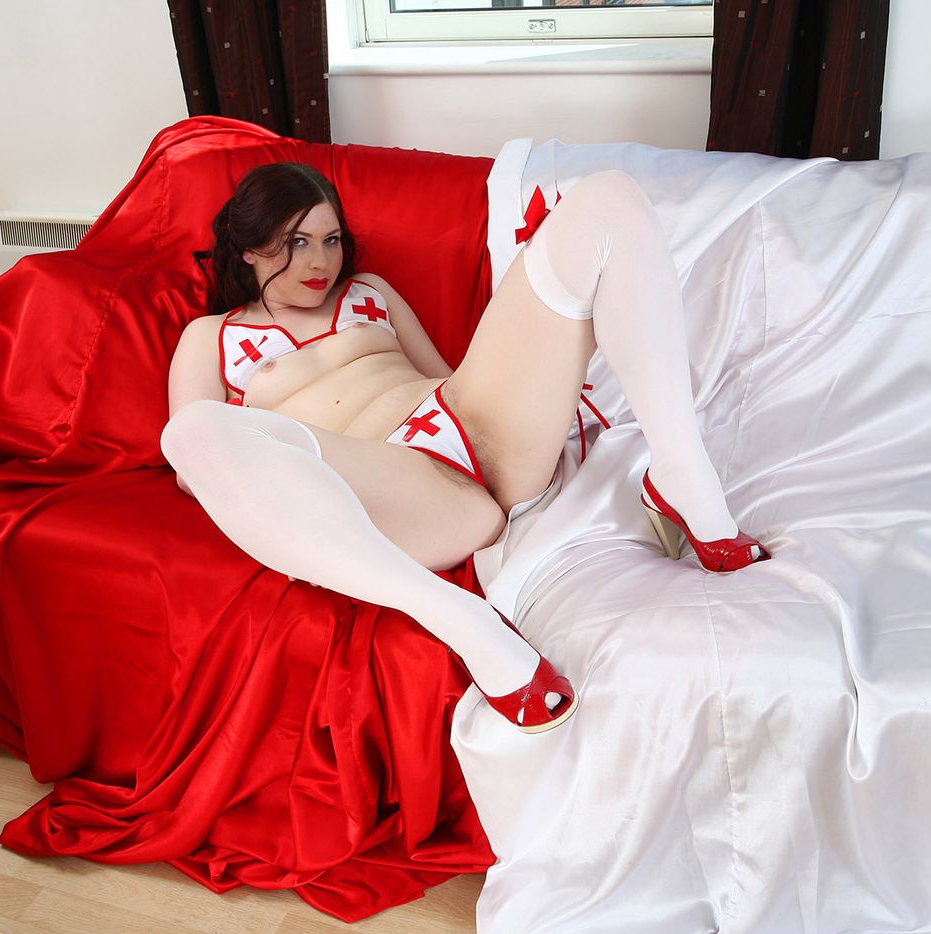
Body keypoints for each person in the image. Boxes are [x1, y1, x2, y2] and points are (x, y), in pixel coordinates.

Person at [159, 162, 770, 735]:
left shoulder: (369, 290)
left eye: (331, 239)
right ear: (249, 247)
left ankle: (681, 474)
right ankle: (465, 623)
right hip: (395, 482)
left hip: (468, 423)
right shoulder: (210, 336)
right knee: (189, 433)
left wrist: (539, 376)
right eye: (296, 242)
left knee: (606, 198)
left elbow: (444, 373)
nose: (321, 261)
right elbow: (194, 475)